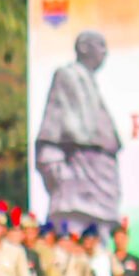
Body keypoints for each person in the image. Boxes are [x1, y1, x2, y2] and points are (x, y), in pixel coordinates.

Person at [34, 30, 125, 233]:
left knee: (100, 240)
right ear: (84, 47)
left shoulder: (90, 81)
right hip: (78, 170)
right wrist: (57, 169)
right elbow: (52, 127)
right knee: (75, 234)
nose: (104, 52)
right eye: (100, 45)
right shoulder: (68, 76)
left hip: (101, 171)